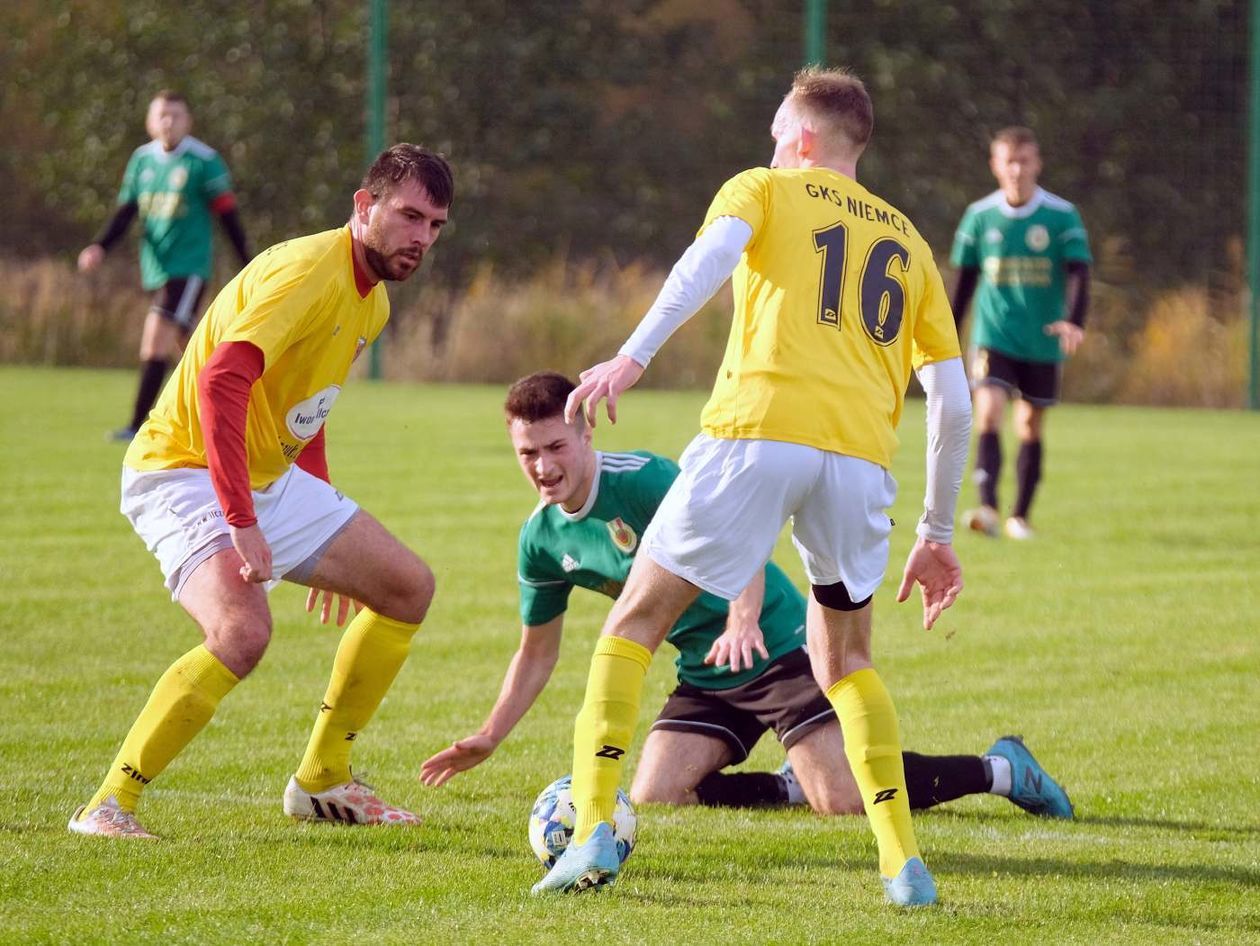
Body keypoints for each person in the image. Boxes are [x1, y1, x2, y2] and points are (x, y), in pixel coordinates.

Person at [532, 68, 973, 908]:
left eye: (778, 133)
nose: (771, 147)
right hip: (859, 462)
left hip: (757, 432)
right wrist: (938, 530)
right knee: (846, 662)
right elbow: (951, 400)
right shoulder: (911, 243)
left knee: (634, 622)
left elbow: (709, 260)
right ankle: (901, 865)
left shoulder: (764, 187)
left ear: (802, 138)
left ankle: (593, 830)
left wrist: (634, 353)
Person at [419, 372, 1072, 826]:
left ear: (587, 432)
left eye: (555, 446)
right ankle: (790, 783)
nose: (542, 466)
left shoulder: (647, 481)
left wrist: (742, 615)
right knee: (657, 792)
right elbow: (536, 654)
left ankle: (1001, 770)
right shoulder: (539, 540)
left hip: (776, 642)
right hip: (707, 669)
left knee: (844, 799)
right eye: (527, 453)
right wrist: (487, 737)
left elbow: (747, 527)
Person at [68, 143, 453, 839]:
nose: (422, 238)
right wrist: (242, 520)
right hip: (181, 471)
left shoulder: (373, 305)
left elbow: (311, 404)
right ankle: (108, 806)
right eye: (409, 216)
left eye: (435, 226)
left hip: (270, 477)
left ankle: (324, 781)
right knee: (242, 633)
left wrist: (326, 516)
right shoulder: (306, 270)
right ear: (364, 207)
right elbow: (222, 380)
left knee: (406, 588)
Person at [78, 90, 252, 442]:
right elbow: (126, 211)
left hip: (189, 267)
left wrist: (249, 265)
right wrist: (100, 246)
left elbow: (228, 217)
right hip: (156, 267)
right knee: (192, 348)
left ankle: (137, 426)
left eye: (176, 115)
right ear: (150, 121)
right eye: (162, 115)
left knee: (155, 337)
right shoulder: (142, 160)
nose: (168, 122)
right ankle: (236, 407)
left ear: (189, 122)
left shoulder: (204, 162)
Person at [950, 126, 1093, 540]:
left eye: (1024, 161)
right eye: (1008, 161)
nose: (1016, 170)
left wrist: (1075, 320)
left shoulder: (1061, 215)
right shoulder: (979, 216)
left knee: (1029, 424)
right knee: (990, 410)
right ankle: (988, 508)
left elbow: (1080, 271)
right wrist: (946, 334)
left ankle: (1020, 517)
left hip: (1042, 338)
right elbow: (964, 281)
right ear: (995, 166)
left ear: (1037, 164)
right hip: (994, 335)